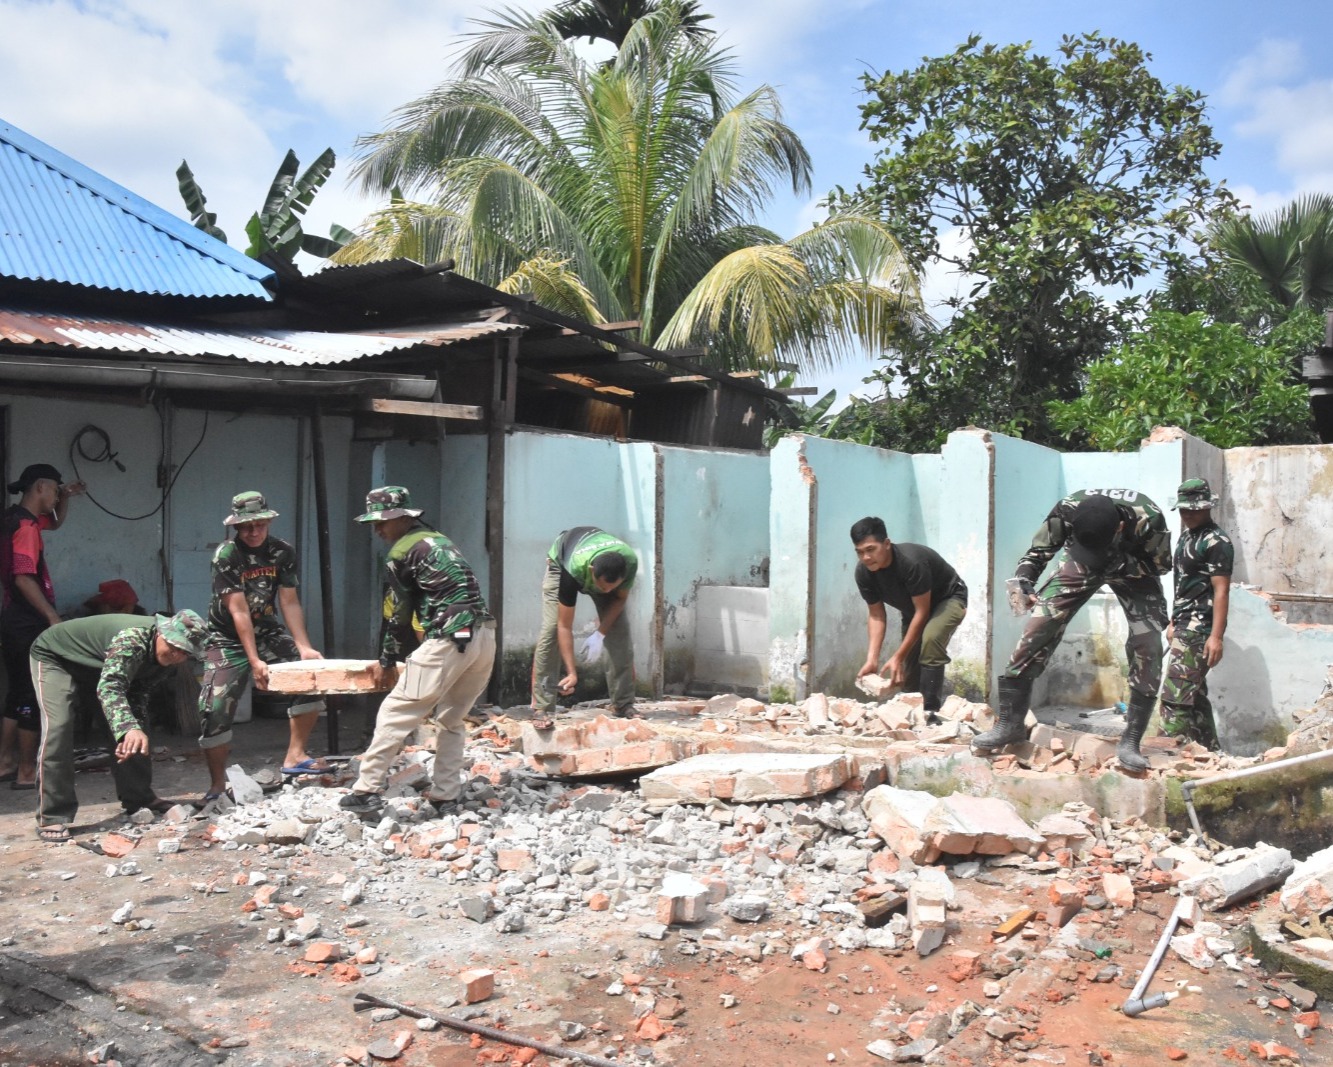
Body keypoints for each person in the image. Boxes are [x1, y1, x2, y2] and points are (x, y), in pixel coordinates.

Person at [973, 489, 1171, 771]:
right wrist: (1025, 579)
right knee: (1039, 626)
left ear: (1120, 527)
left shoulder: (1148, 518)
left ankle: (1131, 742)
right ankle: (1010, 724)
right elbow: (1039, 551)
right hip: (1081, 561)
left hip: (1133, 568)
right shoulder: (1067, 509)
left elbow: (1160, 565)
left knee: (1148, 642)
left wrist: (1117, 562)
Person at [340, 486, 495, 815]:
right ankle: (446, 795)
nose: (378, 529)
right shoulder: (439, 540)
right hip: (483, 637)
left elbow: (398, 612)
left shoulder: (400, 553)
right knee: (451, 719)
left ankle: (365, 792)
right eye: (374, 524)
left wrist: (386, 659)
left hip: (450, 638)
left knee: (394, 713)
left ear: (402, 517)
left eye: (382, 522)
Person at [31, 610, 210, 842]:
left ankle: (140, 798)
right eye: (173, 646)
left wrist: (128, 731)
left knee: (137, 730)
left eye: (184, 652)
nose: (176, 654)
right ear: (161, 634)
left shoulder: (169, 662)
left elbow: (137, 692)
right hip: (57, 656)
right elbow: (111, 686)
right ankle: (53, 814)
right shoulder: (132, 640)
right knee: (59, 727)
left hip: (101, 665)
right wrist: (126, 727)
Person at [197, 492, 324, 802]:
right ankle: (216, 785)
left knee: (312, 678)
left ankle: (295, 757)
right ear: (236, 528)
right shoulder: (227, 555)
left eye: (259, 525)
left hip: (266, 629)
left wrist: (304, 647)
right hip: (225, 637)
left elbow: (289, 601)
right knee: (214, 707)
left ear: (268, 522)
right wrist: (254, 661)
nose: (253, 532)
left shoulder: (283, 552)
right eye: (246, 527)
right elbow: (238, 611)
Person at [0, 463, 85, 789]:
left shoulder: (15, 518)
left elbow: (58, 521)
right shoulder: (26, 528)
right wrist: (51, 616)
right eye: (53, 489)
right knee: (32, 696)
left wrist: (65, 497)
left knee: (16, 695)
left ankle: (5, 762)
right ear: (40, 487)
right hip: (26, 622)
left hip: (10, 619)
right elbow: (23, 576)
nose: (54, 496)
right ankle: (24, 772)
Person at [850, 517, 967, 720]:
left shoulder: (911, 562)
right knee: (909, 668)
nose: (866, 557)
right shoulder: (864, 573)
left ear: (886, 544)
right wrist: (872, 659)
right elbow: (877, 615)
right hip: (913, 610)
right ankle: (912, 713)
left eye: (871, 549)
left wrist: (897, 655)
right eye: (860, 552)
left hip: (948, 598)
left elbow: (923, 612)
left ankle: (931, 713)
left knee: (930, 641)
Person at [530, 527, 639, 730]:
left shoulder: (629, 562)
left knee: (620, 631)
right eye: (603, 587)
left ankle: (624, 704)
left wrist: (600, 634)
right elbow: (564, 625)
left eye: (611, 588)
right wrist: (572, 672)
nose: (606, 592)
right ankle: (542, 708)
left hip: (599, 565)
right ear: (591, 572)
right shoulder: (574, 570)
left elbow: (619, 600)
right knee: (551, 629)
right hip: (561, 562)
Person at [1159, 478, 1233, 750]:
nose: (1188, 514)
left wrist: (1216, 637)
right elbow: (1182, 586)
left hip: (1199, 629)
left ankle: (1165, 756)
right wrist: (1172, 622)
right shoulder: (1188, 536)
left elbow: (1221, 592)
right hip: (1183, 625)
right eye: (1183, 509)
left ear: (1207, 507)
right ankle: (1211, 754)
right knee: (1195, 696)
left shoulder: (1217, 541)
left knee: (1175, 699)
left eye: (1194, 509)